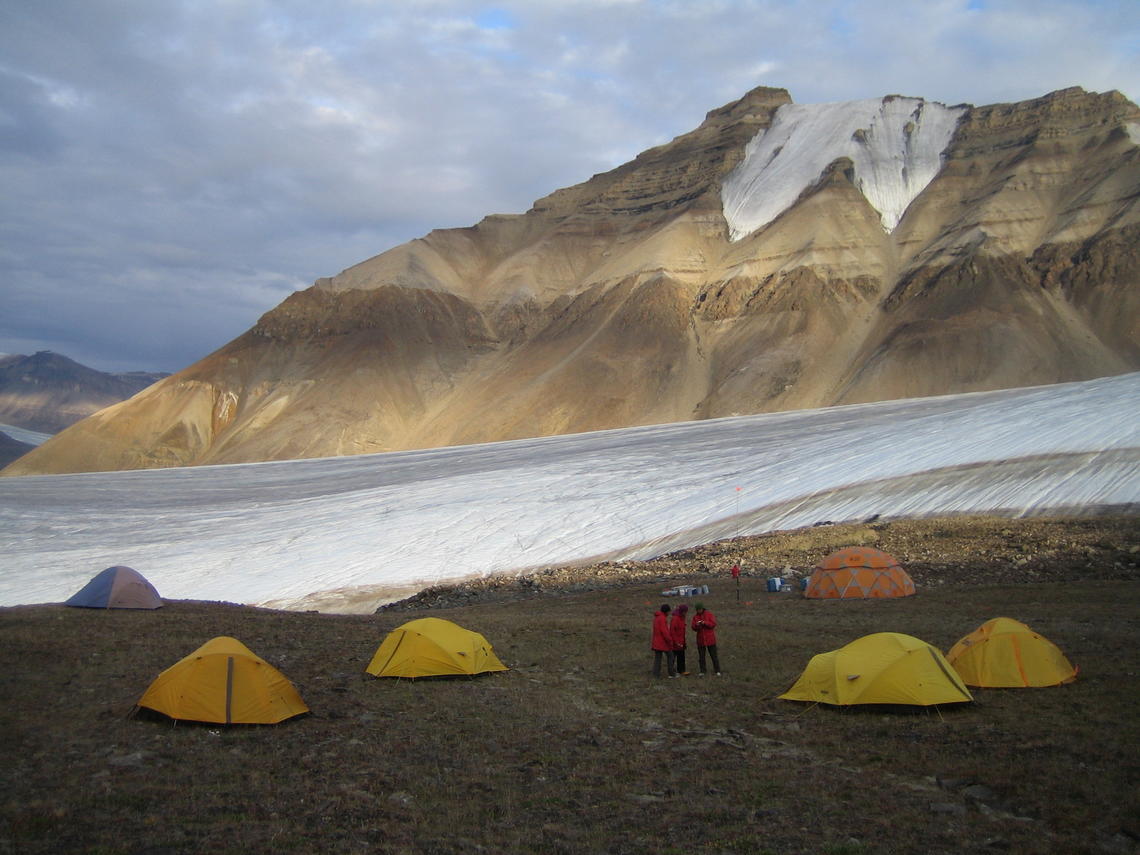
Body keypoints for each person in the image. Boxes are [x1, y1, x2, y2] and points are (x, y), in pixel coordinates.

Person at [691, 602, 721, 676]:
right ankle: (702, 671)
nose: (698, 611)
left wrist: (705, 623)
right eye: (697, 610)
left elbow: (713, 624)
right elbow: (693, 627)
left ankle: (717, 670)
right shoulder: (695, 617)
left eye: (699, 609)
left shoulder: (709, 614)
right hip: (700, 640)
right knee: (701, 657)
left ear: (702, 609)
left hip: (710, 639)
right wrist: (696, 625)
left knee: (714, 656)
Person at [651, 604, 677, 678]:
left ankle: (655, 674)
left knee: (658, 659)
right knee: (670, 656)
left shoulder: (656, 618)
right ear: (666, 611)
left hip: (656, 642)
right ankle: (671, 673)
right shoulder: (662, 619)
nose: (669, 613)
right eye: (669, 611)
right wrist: (670, 641)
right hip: (663, 642)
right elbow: (664, 632)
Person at [670, 603, 689, 675]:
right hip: (676, 642)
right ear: (682, 611)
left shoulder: (682, 618)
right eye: (685, 612)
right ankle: (671, 672)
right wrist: (676, 642)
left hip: (681, 641)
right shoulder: (675, 619)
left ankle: (681, 670)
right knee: (673, 658)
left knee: (681, 656)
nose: (686, 613)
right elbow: (672, 631)